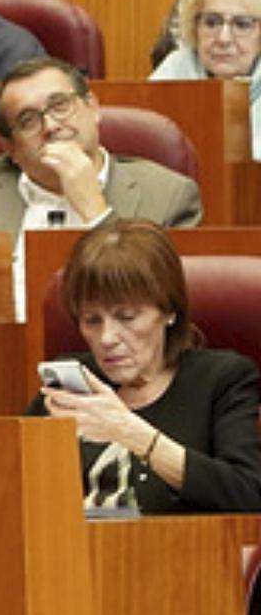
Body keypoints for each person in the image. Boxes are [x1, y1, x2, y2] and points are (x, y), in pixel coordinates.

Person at [0, 57, 203, 314]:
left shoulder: (169, 196)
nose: (50, 126)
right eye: (28, 120)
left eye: (60, 105)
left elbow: (166, 306)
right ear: (10, 148)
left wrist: (94, 208)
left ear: (93, 108)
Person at [29, 219, 261, 513]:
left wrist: (130, 432)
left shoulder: (222, 380)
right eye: (92, 320)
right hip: (72, 553)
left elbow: (248, 492)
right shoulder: (71, 383)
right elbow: (12, 485)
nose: (107, 338)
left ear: (169, 311)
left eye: (126, 317)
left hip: (183, 552)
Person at [150, 0, 261, 159]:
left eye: (242, 25)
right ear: (194, 26)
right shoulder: (177, 67)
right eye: (212, 22)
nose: (224, 38)